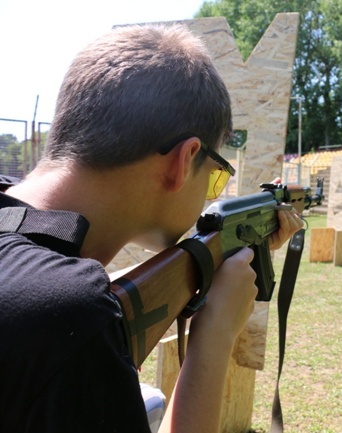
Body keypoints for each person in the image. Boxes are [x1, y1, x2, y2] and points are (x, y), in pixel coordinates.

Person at [0, 24, 303, 433]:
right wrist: (213, 334)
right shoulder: (71, 316)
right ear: (185, 160)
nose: (212, 193)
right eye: (215, 178)